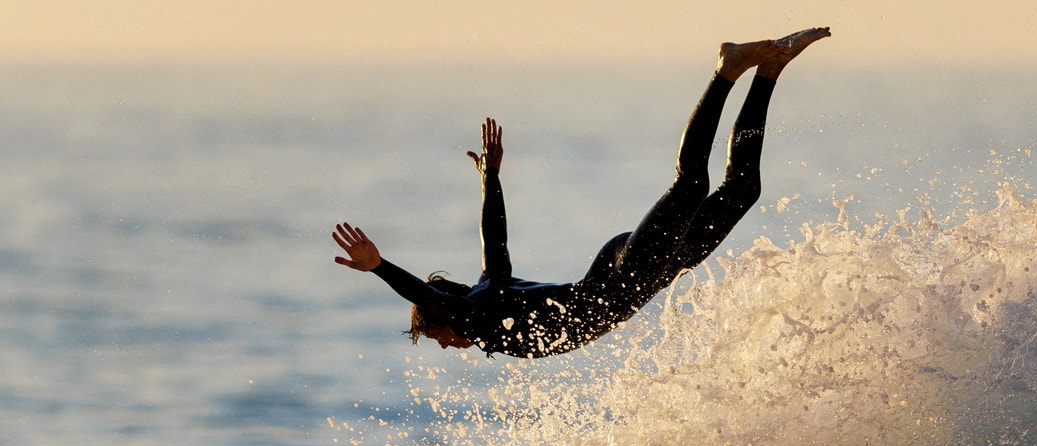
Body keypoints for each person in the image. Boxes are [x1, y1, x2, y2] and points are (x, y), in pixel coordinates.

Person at [332, 28, 831, 357]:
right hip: (630, 277)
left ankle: (727, 69)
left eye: (435, 332)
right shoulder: (490, 290)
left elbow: (423, 293)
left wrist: (380, 267)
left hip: (623, 282)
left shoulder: (477, 316)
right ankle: (770, 68)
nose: (443, 344)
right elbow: (494, 238)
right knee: (742, 190)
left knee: (691, 184)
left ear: (445, 312)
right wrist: (491, 179)